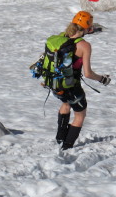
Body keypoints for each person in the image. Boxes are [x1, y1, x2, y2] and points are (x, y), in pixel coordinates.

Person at [44, 11, 111, 150]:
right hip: (72, 86)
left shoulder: (61, 37)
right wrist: (102, 79)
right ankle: (67, 147)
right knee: (80, 115)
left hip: (56, 84)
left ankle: (60, 138)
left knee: (65, 104)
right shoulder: (84, 46)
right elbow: (88, 73)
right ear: (87, 28)